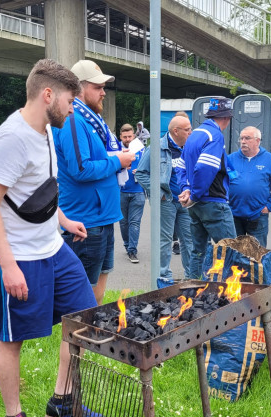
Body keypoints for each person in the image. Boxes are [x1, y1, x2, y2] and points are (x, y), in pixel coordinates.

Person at [0, 59, 103, 417]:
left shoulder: (48, 129)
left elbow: (42, 188)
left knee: (82, 321)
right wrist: (9, 265)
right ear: (48, 95)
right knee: (13, 339)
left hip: (53, 248)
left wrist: (63, 221)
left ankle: (62, 402)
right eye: (70, 100)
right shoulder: (11, 138)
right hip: (19, 258)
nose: (73, 108)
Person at [53, 59, 136, 305]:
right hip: (86, 221)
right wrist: (117, 162)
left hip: (102, 217)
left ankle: (90, 343)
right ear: (79, 88)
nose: (103, 93)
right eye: (98, 87)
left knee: (96, 295)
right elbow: (81, 169)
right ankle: (76, 344)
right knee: (81, 301)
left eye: (104, 87)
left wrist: (116, 160)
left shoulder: (90, 120)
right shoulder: (73, 120)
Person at [178, 96, 236, 279]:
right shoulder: (215, 135)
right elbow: (205, 168)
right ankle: (227, 297)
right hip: (213, 202)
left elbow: (181, 166)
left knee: (197, 251)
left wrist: (186, 189)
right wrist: (195, 194)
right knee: (231, 251)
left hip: (196, 206)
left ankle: (192, 291)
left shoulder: (194, 135)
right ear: (226, 118)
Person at [135, 114, 195, 285]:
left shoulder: (190, 148)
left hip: (185, 202)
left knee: (188, 239)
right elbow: (141, 173)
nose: (191, 132)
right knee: (164, 240)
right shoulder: (157, 148)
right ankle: (164, 278)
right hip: (166, 201)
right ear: (176, 131)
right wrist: (158, 192)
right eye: (187, 129)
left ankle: (191, 277)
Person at [226, 126, 271, 247]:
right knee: (235, 252)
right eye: (241, 138)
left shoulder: (269, 159)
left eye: (247, 138)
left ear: (258, 141)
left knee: (257, 254)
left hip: (258, 214)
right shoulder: (231, 159)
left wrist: (269, 206)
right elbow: (221, 183)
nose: (243, 141)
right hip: (234, 214)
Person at [118, 123, 146, 263]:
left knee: (134, 222)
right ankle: (127, 244)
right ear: (120, 137)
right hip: (121, 191)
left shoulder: (141, 148)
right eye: (125, 137)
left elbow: (149, 166)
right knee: (123, 223)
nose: (128, 139)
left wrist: (140, 171)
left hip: (138, 191)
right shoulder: (115, 148)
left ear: (133, 136)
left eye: (130, 136)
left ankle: (132, 251)